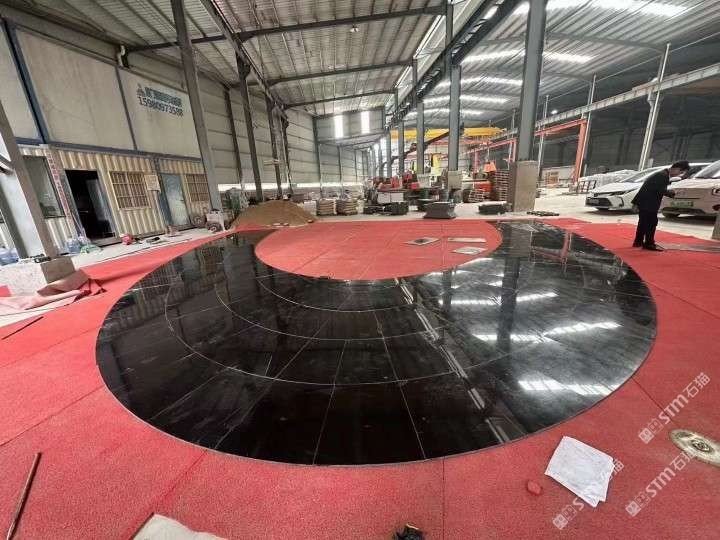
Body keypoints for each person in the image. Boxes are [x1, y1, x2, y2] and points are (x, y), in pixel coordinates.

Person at [631, 160, 690, 251]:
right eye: (681, 172)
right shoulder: (663, 176)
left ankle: (638, 241)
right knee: (651, 223)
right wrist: (673, 193)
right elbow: (660, 190)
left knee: (643, 223)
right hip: (649, 203)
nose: (679, 175)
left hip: (645, 202)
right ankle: (649, 243)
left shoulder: (661, 174)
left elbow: (653, 188)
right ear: (676, 169)